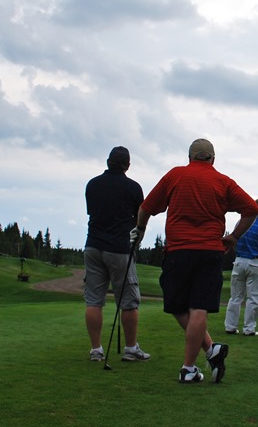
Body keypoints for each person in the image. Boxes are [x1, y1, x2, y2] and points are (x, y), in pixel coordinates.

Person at [130, 138, 258, 384]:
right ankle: (210, 350)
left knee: (178, 306)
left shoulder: (175, 175)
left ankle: (189, 368)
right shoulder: (223, 181)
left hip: (177, 251)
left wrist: (140, 229)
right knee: (198, 307)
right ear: (213, 159)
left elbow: (146, 208)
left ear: (189, 157)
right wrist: (233, 237)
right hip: (210, 252)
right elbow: (251, 209)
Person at [84, 146, 151, 363]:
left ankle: (96, 350)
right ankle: (131, 348)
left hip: (93, 246)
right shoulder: (133, 188)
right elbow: (140, 217)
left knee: (94, 300)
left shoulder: (92, 184)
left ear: (108, 162)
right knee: (128, 301)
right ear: (127, 165)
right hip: (120, 249)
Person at [224, 199, 258, 336]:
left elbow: (233, 241)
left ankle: (230, 327)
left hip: (239, 262)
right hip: (255, 263)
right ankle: (249, 329)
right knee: (253, 297)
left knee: (235, 297)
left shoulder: (240, 223)